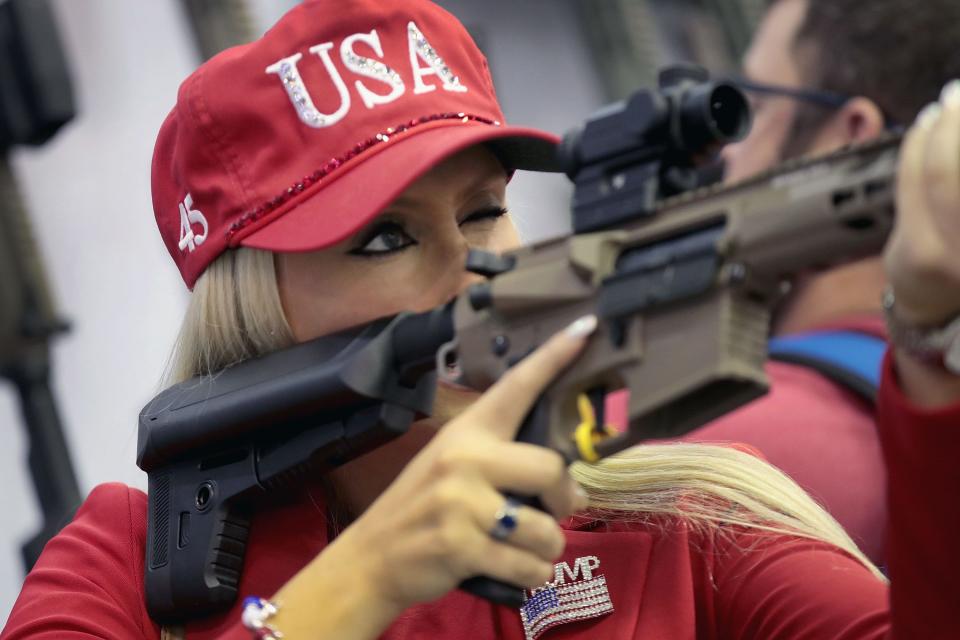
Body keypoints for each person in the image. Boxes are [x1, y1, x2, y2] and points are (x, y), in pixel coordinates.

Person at [1, 0, 958, 638]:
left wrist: (933, 348)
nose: (473, 267)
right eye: (383, 239)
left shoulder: (680, 521)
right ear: (257, 308)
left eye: (482, 210)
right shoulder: (124, 568)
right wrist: (354, 591)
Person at [675, 0, 960, 567]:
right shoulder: (930, 430)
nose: (727, 152)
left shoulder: (714, 457)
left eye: (755, 104)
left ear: (850, 142)